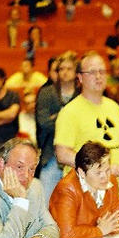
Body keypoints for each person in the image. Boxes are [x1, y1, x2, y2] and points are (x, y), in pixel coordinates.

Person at [54, 51, 119, 182]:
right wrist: (99, 168)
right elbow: (62, 154)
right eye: (92, 72)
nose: (98, 76)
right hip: (84, 191)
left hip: (114, 191)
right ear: (80, 77)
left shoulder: (114, 107)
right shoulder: (69, 111)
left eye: (102, 71)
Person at [37, 50, 77, 198]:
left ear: (76, 72)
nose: (64, 72)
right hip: (50, 153)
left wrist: (57, 117)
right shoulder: (46, 93)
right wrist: (67, 122)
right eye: (61, 69)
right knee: (45, 199)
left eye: (69, 68)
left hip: (75, 152)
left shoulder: (82, 94)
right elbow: (43, 122)